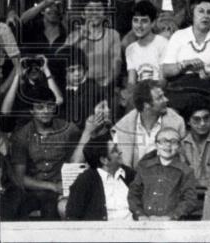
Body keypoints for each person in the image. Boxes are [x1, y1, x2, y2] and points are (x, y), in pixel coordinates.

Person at [9, 86, 80, 219]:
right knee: (17, 207)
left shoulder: (68, 130)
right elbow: (19, 178)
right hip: (34, 189)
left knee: (51, 208)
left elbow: (75, 164)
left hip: (61, 189)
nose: (46, 111)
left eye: (49, 106)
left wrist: (62, 187)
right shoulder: (21, 136)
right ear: (32, 110)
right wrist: (51, 186)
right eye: (40, 107)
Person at [127, 126, 198, 220]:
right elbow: (133, 194)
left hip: (172, 224)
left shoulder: (186, 171)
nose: (168, 145)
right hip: (144, 221)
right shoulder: (144, 167)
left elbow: (189, 200)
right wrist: (140, 215)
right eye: (163, 141)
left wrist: (171, 217)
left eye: (173, 142)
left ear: (179, 146)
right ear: (156, 145)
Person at [65, 138, 134, 220]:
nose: (120, 151)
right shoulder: (86, 180)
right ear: (104, 160)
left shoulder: (130, 174)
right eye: (114, 150)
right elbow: (72, 215)